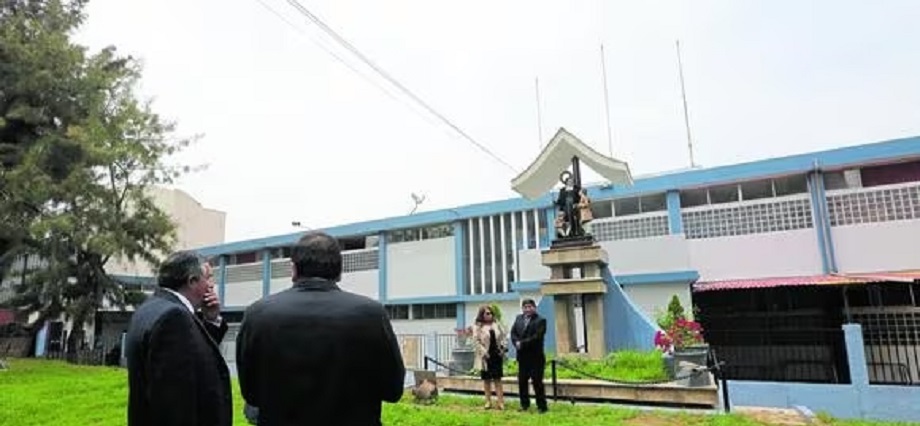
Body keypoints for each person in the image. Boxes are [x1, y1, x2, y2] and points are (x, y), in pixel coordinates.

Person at [236, 232, 405, 426]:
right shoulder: (372, 315)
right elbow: (393, 390)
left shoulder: (257, 314)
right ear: (340, 271)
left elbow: (252, 394)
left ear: (294, 270)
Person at [125, 251, 231, 426]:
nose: (212, 285)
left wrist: (211, 320)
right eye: (208, 278)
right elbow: (176, 399)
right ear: (192, 281)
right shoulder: (174, 317)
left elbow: (193, 358)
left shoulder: (150, 308)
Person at [510, 299, 548, 413]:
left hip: (536, 358)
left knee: (537, 382)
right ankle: (524, 405)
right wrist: (516, 342)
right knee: (522, 382)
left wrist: (522, 343)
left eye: (530, 307)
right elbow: (513, 333)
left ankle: (542, 406)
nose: (527, 309)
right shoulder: (518, 318)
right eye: (525, 307)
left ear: (534, 307)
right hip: (522, 358)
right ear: (522, 308)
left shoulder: (541, 320)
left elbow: (537, 337)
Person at [472, 305, 507, 410]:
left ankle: (500, 402)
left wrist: (503, 348)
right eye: (487, 313)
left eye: (491, 313)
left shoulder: (497, 324)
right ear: (482, 315)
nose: (489, 315)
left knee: (497, 379)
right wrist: (483, 352)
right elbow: (476, 341)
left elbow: (503, 337)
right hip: (485, 356)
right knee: (486, 379)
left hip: (497, 354)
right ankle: (488, 401)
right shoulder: (478, 326)